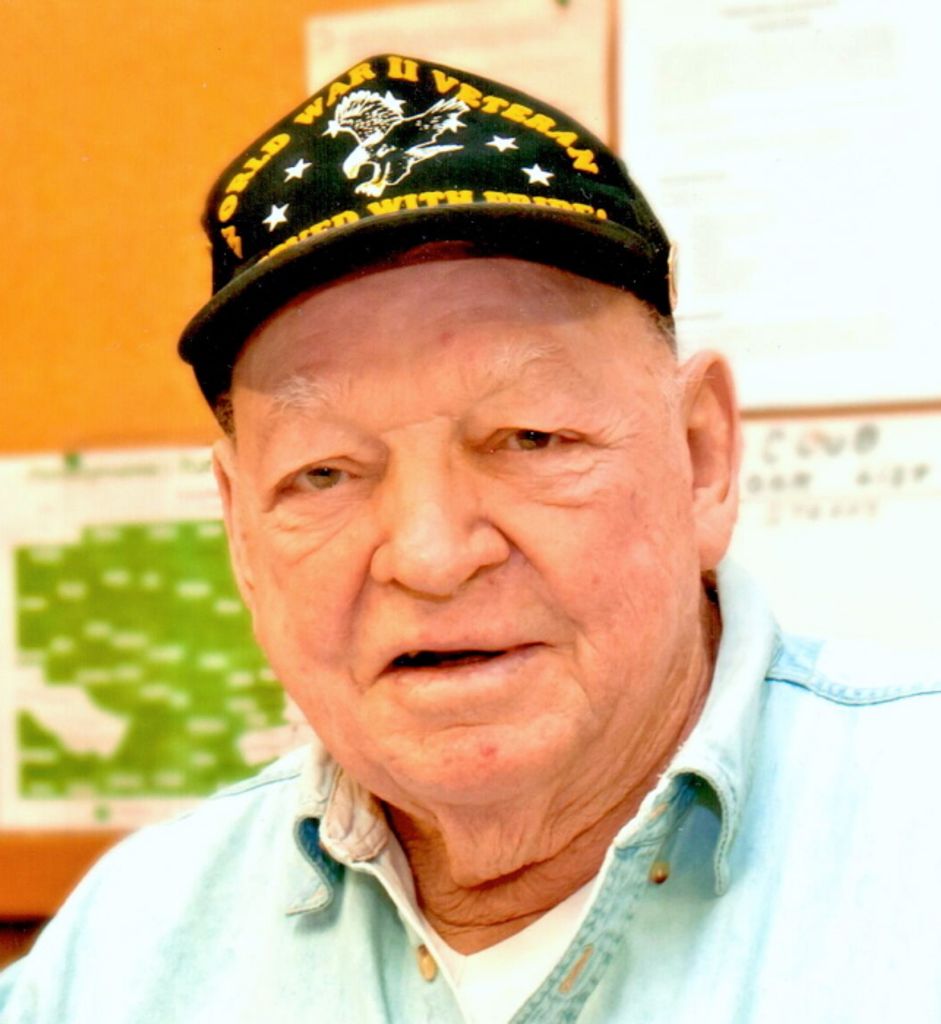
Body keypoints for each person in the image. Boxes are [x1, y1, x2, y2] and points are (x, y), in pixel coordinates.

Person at [1, 54, 939, 1024]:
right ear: (241, 531)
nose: (431, 556)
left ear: (700, 457)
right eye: (323, 473)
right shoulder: (122, 955)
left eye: (529, 438)